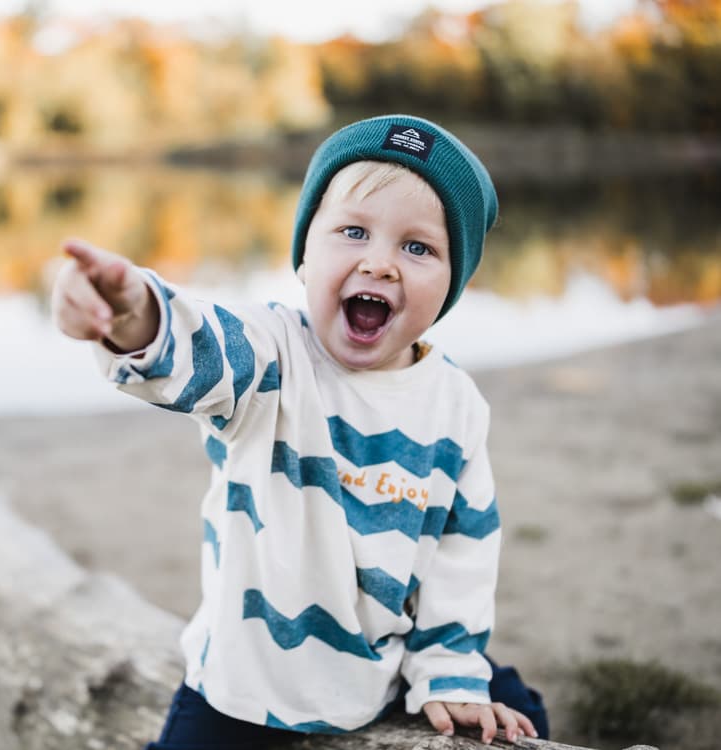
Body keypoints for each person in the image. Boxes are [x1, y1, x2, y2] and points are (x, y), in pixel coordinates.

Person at [51, 114, 548, 746]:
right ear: (305, 255)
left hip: (384, 667)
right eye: (352, 231)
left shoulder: (456, 405)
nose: (381, 263)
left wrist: (448, 673)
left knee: (519, 713)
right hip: (248, 682)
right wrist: (132, 312)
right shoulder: (271, 356)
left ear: (453, 282)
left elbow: (463, 553)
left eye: (418, 247)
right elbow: (197, 347)